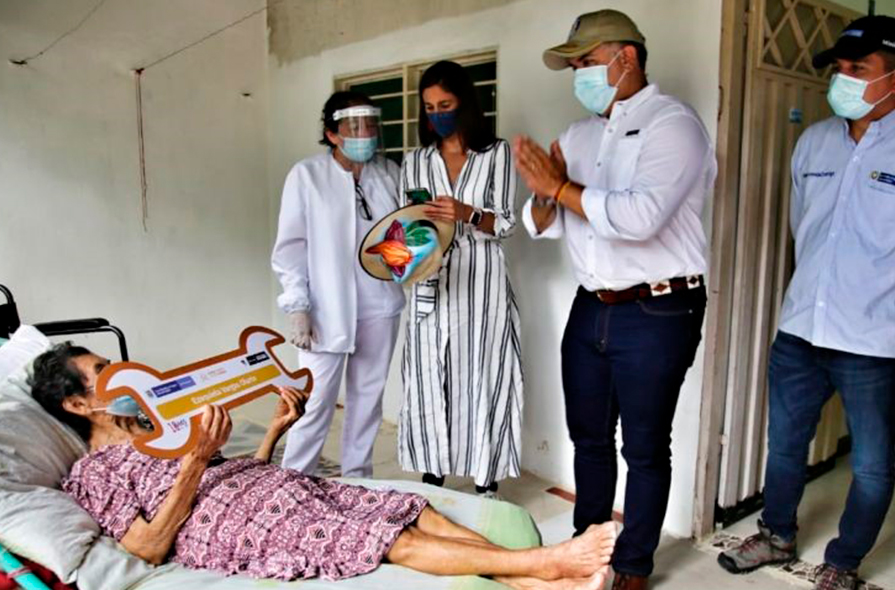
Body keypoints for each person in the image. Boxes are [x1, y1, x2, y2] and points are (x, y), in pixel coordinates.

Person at [717, 16, 895, 590]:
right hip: (800, 332)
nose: (843, 79)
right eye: (840, 68)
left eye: (858, 70)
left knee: (871, 464)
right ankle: (776, 535)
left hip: (873, 343)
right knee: (783, 446)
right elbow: (802, 227)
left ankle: (844, 562)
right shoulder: (814, 141)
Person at [31, 343, 616, 589]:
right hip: (235, 528)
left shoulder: (161, 430)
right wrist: (195, 463)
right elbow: (148, 547)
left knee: (410, 507)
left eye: (111, 363)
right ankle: (550, 560)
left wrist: (272, 439)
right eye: (101, 375)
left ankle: (529, 580)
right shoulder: (93, 475)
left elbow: (222, 475)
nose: (119, 376)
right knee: (383, 538)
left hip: (264, 486)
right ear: (79, 405)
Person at [515, 9, 715, 589]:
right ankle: (587, 547)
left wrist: (562, 187)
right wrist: (546, 195)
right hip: (591, 307)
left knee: (646, 447)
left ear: (625, 58)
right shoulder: (578, 135)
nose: (578, 74)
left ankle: (632, 563)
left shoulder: (673, 125)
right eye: (574, 65)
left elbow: (639, 217)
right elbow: (544, 225)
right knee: (590, 439)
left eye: (585, 62)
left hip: (658, 310)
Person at [396, 60, 524, 497]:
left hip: (481, 282)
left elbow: (507, 224)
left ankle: (485, 479)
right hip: (430, 282)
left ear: (465, 103)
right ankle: (433, 475)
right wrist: (409, 246)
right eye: (430, 107)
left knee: (483, 377)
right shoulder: (415, 161)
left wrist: (467, 214)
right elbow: (406, 223)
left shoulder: (497, 154)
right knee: (429, 376)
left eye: (445, 105)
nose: (437, 114)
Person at [271, 91, 405, 478]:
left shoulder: (389, 173)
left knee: (366, 403)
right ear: (332, 133)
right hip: (324, 309)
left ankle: (357, 484)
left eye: (370, 125)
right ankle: (294, 483)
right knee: (314, 405)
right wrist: (297, 304)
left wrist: (411, 256)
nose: (365, 133)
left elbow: (400, 234)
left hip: (379, 306)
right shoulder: (307, 176)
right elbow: (291, 246)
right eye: (354, 126)